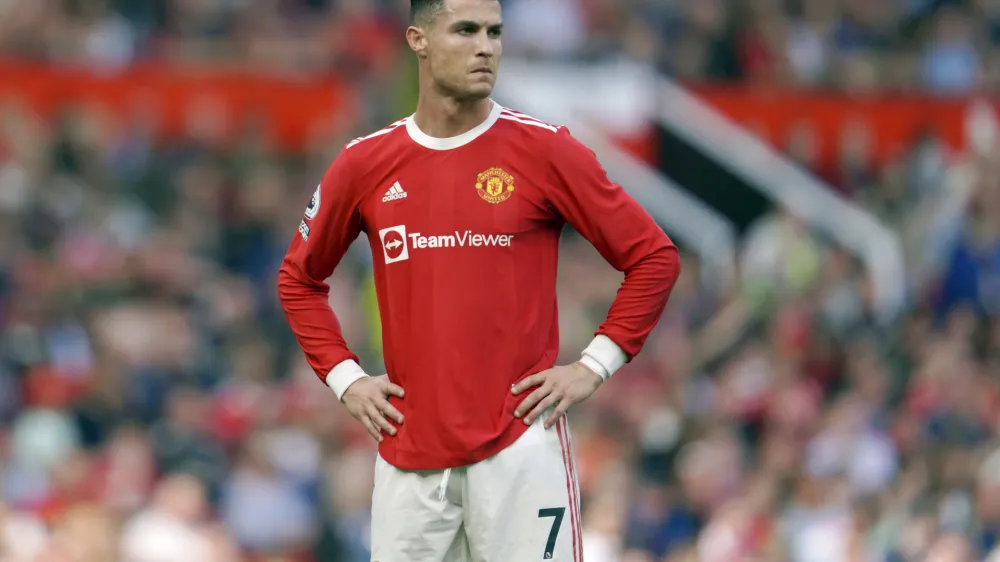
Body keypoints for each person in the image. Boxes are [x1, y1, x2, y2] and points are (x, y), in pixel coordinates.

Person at [276, 0, 681, 559]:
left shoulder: (545, 149)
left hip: (521, 447)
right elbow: (298, 280)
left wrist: (594, 366)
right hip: (409, 456)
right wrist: (346, 379)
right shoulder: (364, 163)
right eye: (465, 30)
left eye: (495, 32)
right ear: (418, 40)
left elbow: (655, 258)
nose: (485, 46)